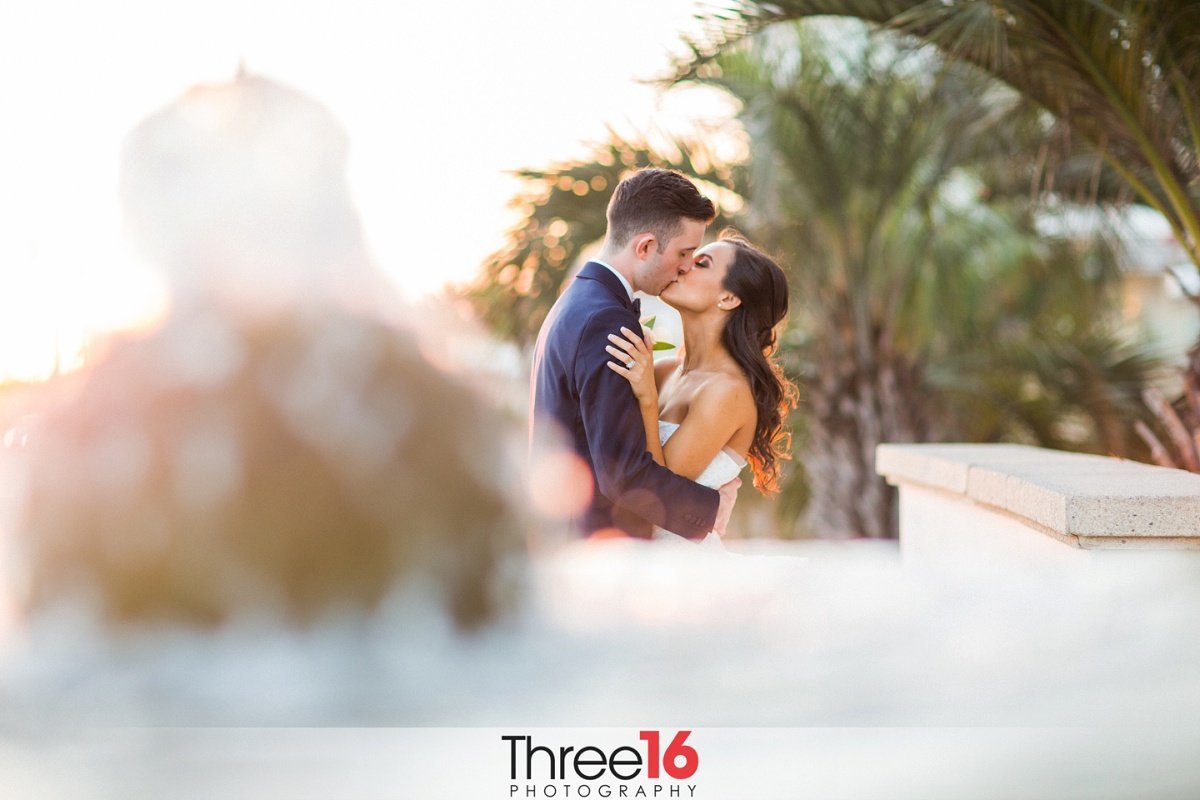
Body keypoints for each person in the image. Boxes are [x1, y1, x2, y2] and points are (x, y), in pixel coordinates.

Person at [530, 168, 740, 540]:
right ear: (644, 247)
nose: (687, 266)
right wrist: (711, 508)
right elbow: (621, 473)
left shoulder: (577, 301)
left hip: (568, 538)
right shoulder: (606, 321)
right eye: (684, 252)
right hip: (601, 552)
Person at [604, 229, 797, 543]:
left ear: (728, 298)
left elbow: (657, 493)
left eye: (701, 263)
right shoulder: (664, 370)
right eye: (686, 258)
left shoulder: (727, 391)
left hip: (680, 572)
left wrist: (648, 399)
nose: (681, 266)